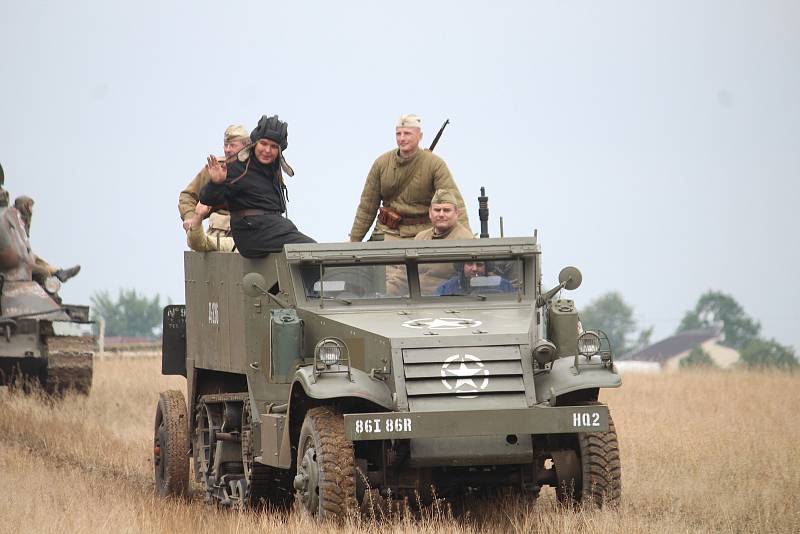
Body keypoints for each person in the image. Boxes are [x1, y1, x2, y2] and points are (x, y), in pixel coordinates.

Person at [200, 115, 315, 258]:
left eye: (273, 146)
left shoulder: (273, 171)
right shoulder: (237, 168)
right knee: (311, 251)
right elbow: (207, 198)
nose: (267, 150)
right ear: (254, 143)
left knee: (313, 252)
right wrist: (216, 183)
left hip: (273, 229)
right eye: (264, 143)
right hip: (252, 232)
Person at [349, 114, 471, 242]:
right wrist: (354, 241)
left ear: (420, 136)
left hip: (423, 235)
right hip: (387, 233)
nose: (402, 138)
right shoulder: (382, 163)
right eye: (398, 134)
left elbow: (454, 202)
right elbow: (367, 207)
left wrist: (467, 242)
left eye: (407, 133)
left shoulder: (435, 164)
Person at [179, 124, 250, 252]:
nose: (227, 150)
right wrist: (190, 217)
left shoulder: (257, 170)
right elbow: (188, 196)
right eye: (225, 145)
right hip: (219, 236)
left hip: (252, 232)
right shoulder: (216, 168)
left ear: (246, 146)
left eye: (233, 145)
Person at [411, 189, 475, 294]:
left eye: (446, 210)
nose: (441, 214)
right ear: (430, 213)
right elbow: (402, 275)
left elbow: (471, 277)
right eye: (437, 210)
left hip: (447, 300)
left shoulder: (465, 239)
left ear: (456, 213)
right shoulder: (420, 238)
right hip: (415, 300)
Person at [13, 196, 81, 287]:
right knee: (43, 273)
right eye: (29, 206)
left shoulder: (19, 220)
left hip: (23, 256)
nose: (31, 210)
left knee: (36, 260)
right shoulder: (15, 220)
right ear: (24, 207)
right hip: (17, 259)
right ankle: (57, 277)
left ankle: (59, 273)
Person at [436, 261, 514, 296]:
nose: (474, 269)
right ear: (462, 266)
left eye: (479, 264)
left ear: (487, 267)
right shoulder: (446, 288)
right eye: (469, 264)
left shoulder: (503, 285)